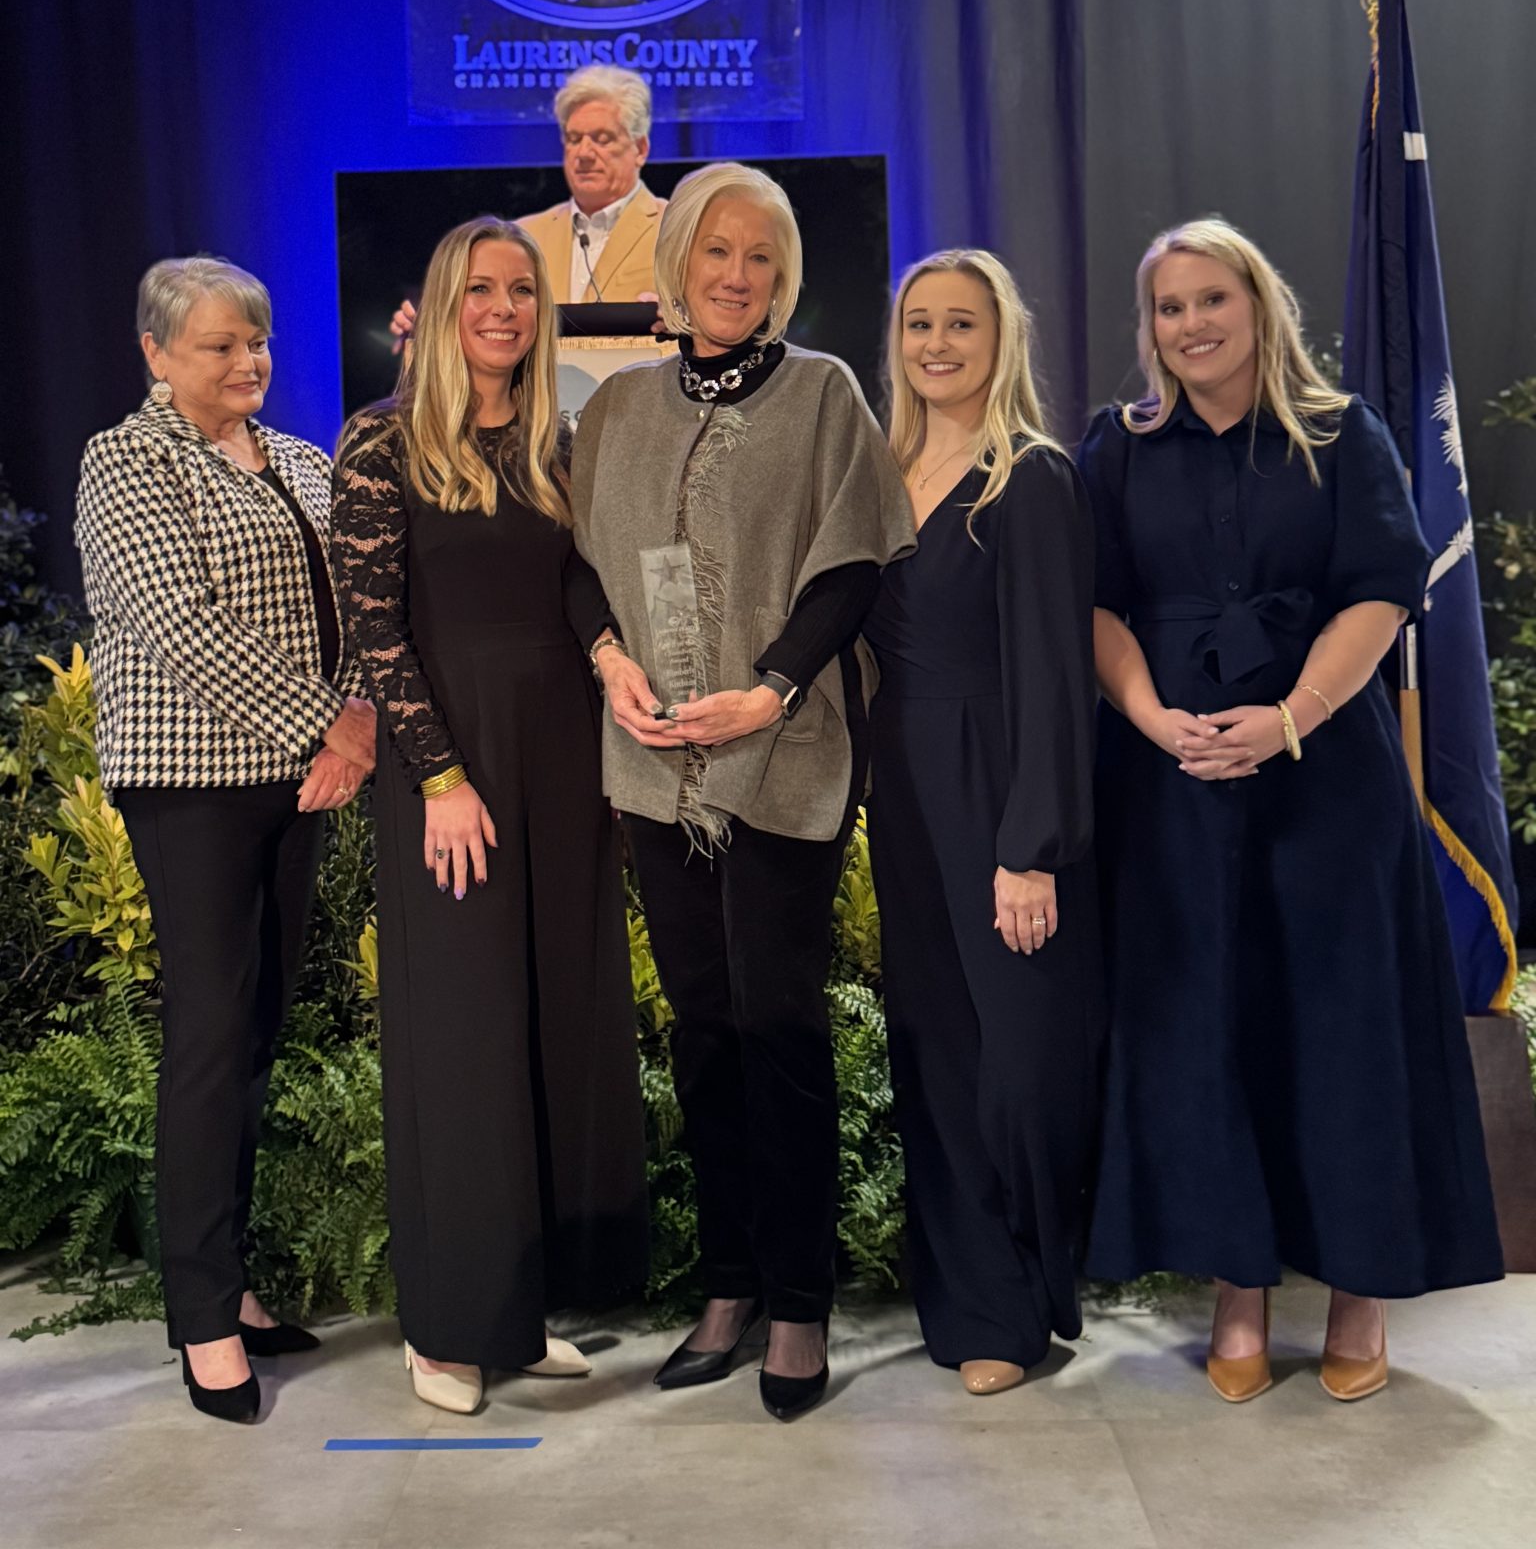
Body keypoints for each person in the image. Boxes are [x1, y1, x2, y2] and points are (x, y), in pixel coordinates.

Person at [1078, 216, 1503, 1404]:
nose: (1192, 323)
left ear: (1259, 304)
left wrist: (1292, 717)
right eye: (1170, 307)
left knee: (1344, 1028)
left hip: (1328, 782)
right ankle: (1238, 1292)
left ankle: (1363, 1294)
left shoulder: (1341, 431)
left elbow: (1381, 591)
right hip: (1175, 785)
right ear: (1150, 326)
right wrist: (1154, 719)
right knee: (1213, 1029)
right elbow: (1096, 603)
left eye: (1212, 298)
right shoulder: (1119, 444)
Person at [570, 163, 915, 1421]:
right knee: (703, 1026)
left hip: (782, 753)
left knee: (779, 1024)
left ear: (785, 276)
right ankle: (729, 1284)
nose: (736, 274)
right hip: (655, 764)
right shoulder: (618, 406)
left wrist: (769, 690)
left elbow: (854, 563)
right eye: (716, 251)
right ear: (678, 264)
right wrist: (609, 660)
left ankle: (801, 1301)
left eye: (761, 256)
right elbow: (578, 562)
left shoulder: (824, 394)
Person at [333, 216, 647, 1416]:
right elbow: (373, 624)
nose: (504, 307)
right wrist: (438, 776)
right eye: (480, 288)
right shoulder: (380, 439)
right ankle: (449, 1326)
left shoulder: (553, 440)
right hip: (453, 763)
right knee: (463, 1038)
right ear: (441, 302)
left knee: (555, 1023)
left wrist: (610, 655)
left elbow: (575, 579)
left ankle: (524, 1309)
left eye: (522, 287)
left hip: (563, 755)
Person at [75, 256, 376, 1425]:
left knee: (253, 1032)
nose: (248, 360)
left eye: (257, 340)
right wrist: (332, 723)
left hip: (298, 779)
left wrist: (354, 722)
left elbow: (361, 600)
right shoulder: (126, 460)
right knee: (209, 1037)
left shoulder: (299, 459)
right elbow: (184, 625)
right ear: (156, 352)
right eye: (219, 345)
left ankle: (232, 1280)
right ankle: (201, 1315)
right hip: (191, 782)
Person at [864, 250, 1102, 1397]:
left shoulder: (1032, 475)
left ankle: (1025, 1296)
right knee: (935, 1053)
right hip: (902, 791)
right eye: (920, 322)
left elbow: (1055, 672)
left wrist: (1030, 847)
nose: (938, 343)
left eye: (961, 322)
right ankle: (968, 1305)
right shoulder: (878, 472)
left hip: (998, 785)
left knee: (1018, 1063)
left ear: (1000, 336)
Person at [390, 65, 661, 347]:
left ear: (640, 149)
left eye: (602, 139)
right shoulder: (520, 237)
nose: (584, 153)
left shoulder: (674, 232)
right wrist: (425, 329)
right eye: (574, 139)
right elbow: (479, 321)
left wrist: (681, 320)